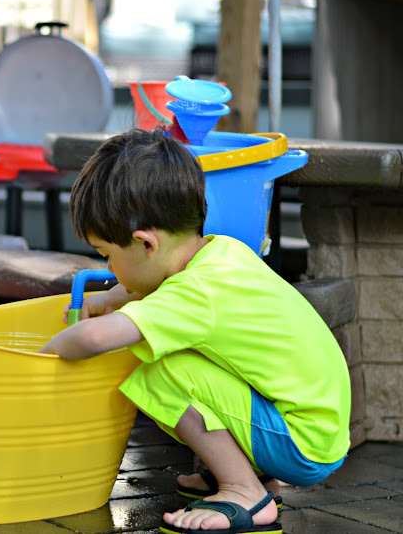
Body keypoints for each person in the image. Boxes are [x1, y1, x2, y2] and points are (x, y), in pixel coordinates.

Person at [39, 128, 351, 534]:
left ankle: (244, 492)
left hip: (300, 444)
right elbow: (163, 294)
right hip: (317, 426)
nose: (109, 268)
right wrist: (114, 297)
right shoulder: (223, 252)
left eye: (107, 255)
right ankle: (254, 475)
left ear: (145, 243)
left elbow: (96, 338)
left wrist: (42, 355)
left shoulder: (194, 294)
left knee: (159, 370)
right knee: (177, 351)